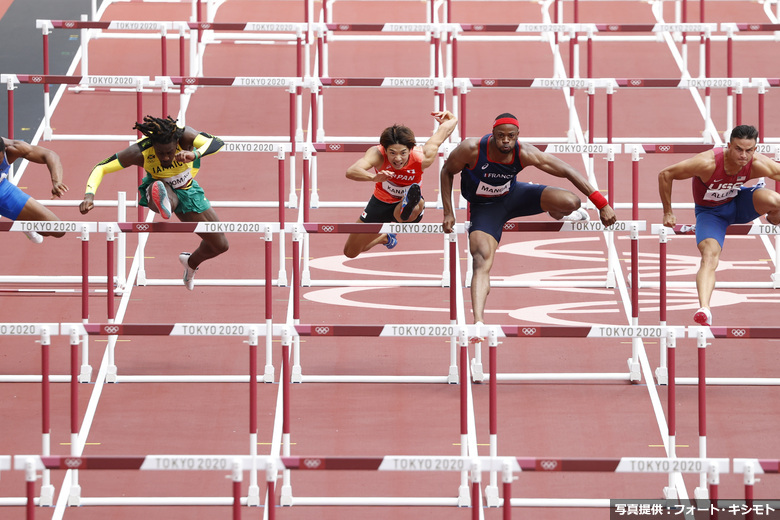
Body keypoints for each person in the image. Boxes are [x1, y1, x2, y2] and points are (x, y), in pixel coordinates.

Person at [440, 113, 617, 332]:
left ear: (517, 136)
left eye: (511, 136)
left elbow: (567, 170)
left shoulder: (524, 152)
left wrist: (602, 204)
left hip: (514, 196)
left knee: (572, 201)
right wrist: (448, 212)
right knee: (481, 260)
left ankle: (557, 212)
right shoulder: (472, 149)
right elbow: (447, 171)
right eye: (501, 136)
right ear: (492, 134)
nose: (506, 140)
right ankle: (478, 323)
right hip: (485, 208)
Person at [79, 115, 227, 291]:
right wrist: (89, 194)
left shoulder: (185, 136)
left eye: (169, 153)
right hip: (161, 187)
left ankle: (190, 262)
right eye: (160, 153)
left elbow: (217, 142)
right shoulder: (139, 151)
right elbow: (101, 167)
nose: (165, 158)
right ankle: (159, 199)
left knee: (220, 245)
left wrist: (194, 153)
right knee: (161, 189)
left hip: (189, 189)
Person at [659, 124, 780, 326]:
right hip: (710, 214)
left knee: (776, 200)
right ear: (729, 146)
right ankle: (704, 309)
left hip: (739, 204)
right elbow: (665, 174)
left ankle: (774, 218)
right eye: (738, 149)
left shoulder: (758, 163)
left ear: (755, 149)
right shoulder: (706, 163)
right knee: (709, 257)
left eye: (749, 150)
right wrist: (668, 211)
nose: (743, 155)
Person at [343, 110, 458, 258]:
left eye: (403, 153)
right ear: (384, 149)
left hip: (410, 209)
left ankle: (408, 203)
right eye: (392, 153)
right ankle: (386, 237)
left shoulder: (422, 157)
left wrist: (452, 118)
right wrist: (373, 178)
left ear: (410, 149)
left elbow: (442, 132)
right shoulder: (377, 154)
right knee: (350, 252)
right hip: (380, 202)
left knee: (406, 211)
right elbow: (351, 171)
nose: (398, 159)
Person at [0, 137, 69, 243]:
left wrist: (56, 181)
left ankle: (25, 224)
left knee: (57, 229)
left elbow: (50, 154)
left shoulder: (14, 148)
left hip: (3, 191)